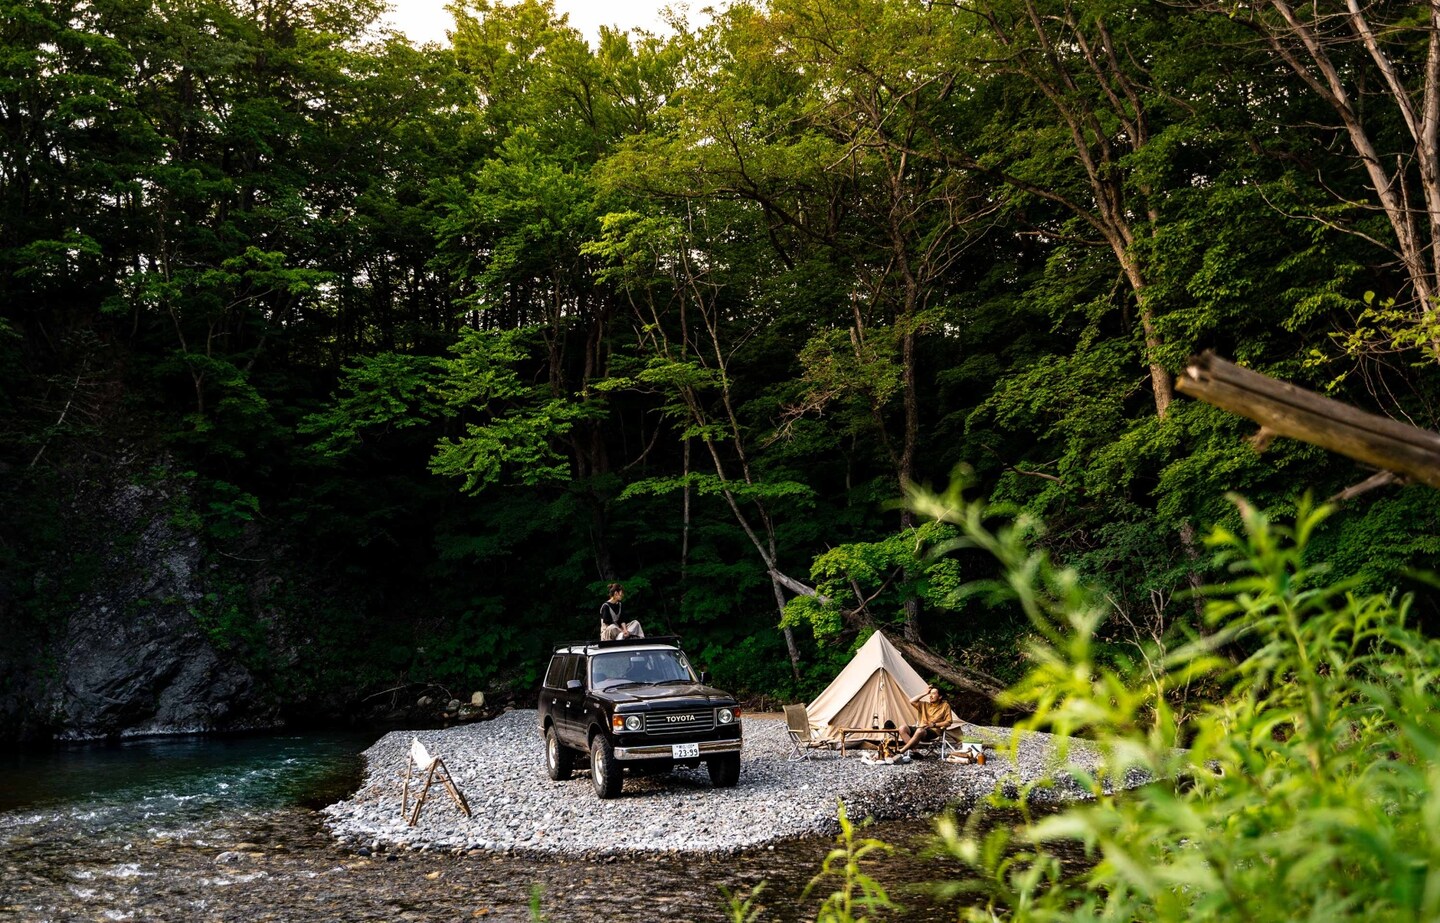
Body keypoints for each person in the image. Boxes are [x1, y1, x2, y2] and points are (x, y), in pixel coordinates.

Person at [896, 683, 953, 755]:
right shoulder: (925, 705)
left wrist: (934, 725)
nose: (930, 696)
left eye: (933, 694)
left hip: (933, 732)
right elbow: (911, 701)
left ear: (940, 696)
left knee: (920, 730)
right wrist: (925, 693)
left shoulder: (945, 706)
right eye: (930, 694)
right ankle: (915, 751)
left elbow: (949, 722)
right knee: (902, 728)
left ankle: (902, 750)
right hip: (920, 729)